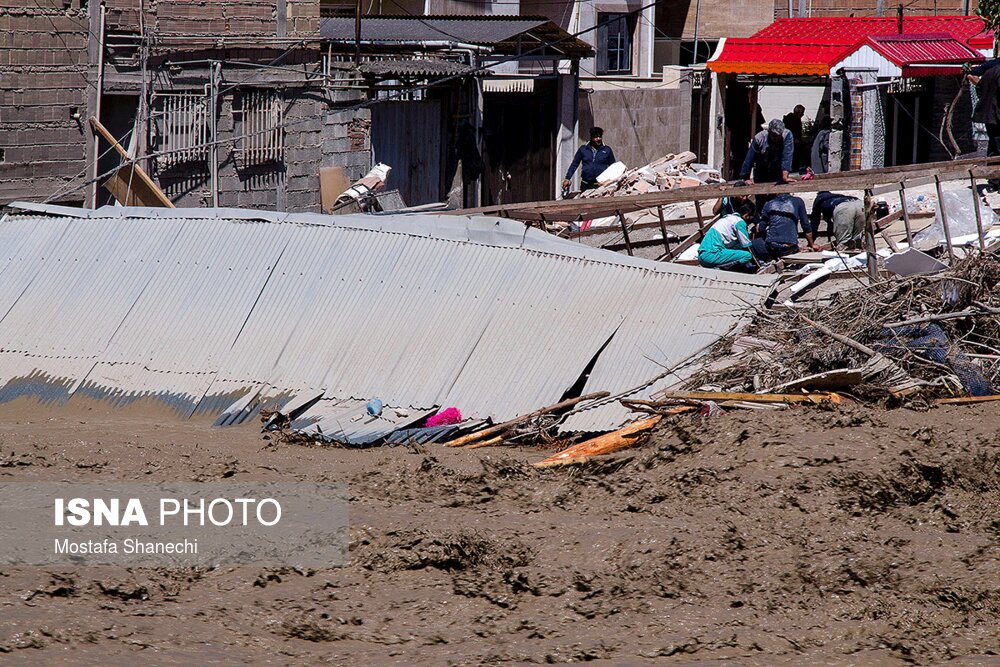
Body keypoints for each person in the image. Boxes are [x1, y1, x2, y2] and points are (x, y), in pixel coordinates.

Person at [752, 192, 815, 261]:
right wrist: (811, 244)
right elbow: (805, 225)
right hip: (789, 245)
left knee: (757, 243)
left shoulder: (768, 204)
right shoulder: (798, 201)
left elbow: (761, 228)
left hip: (772, 245)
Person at [698, 201, 758, 273]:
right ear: (746, 215)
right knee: (747, 256)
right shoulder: (739, 222)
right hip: (712, 255)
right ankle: (723, 270)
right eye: (751, 217)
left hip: (702, 257)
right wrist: (758, 264)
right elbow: (747, 245)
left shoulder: (728, 218)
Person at [970, 65, 1000, 190]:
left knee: (994, 148)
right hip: (997, 115)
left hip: (990, 116)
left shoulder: (990, 71)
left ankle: (994, 181)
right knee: (997, 148)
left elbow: (973, 77)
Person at [563, 127, 616, 192]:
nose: (598, 139)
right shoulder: (583, 149)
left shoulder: (607, 150)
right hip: (586, 185)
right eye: (596, 137)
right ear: (591, 137)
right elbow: (574, 164)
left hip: (601, 185)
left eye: (600, 137)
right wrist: (567, 178)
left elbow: (613, 167)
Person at [783, 104, 806, 171]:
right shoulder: (792, 120)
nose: (802, 115)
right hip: (792, 143)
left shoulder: (793, 120)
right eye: (802, 113)